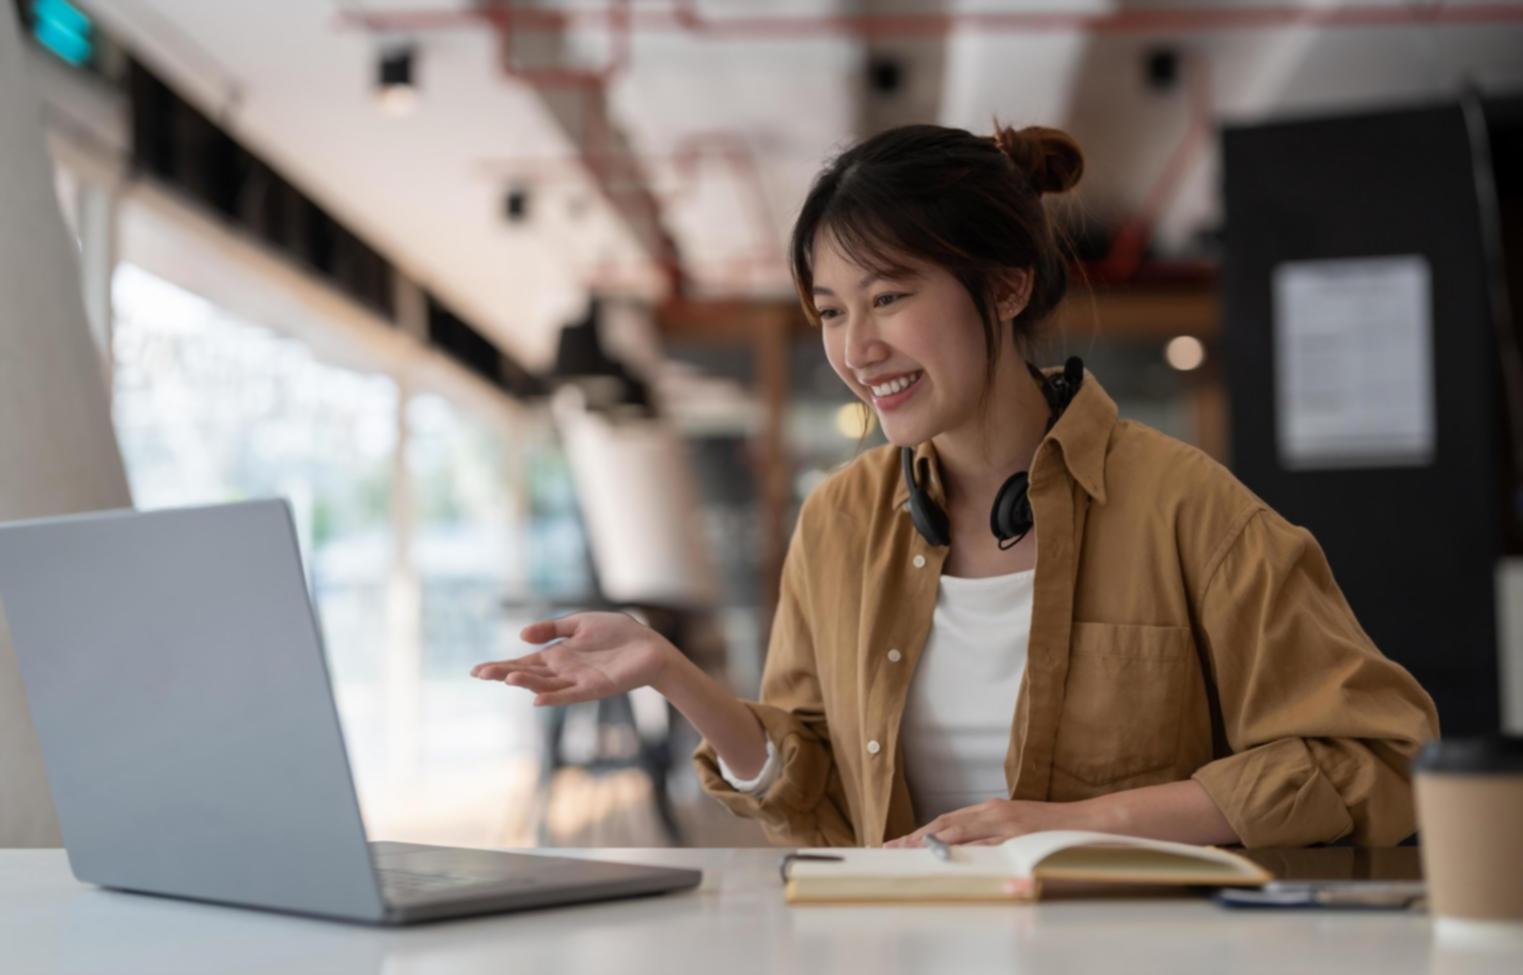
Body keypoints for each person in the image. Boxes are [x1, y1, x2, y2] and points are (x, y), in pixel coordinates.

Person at [471, 122, 1439, 850]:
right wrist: (671, 674)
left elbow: (1377, 758)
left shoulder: (1188, 508)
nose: (857, 349)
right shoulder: (840, 520)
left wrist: (1083, 822)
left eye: (889, 297)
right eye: (830, 312)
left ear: (1005, 287)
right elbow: (813, 797)